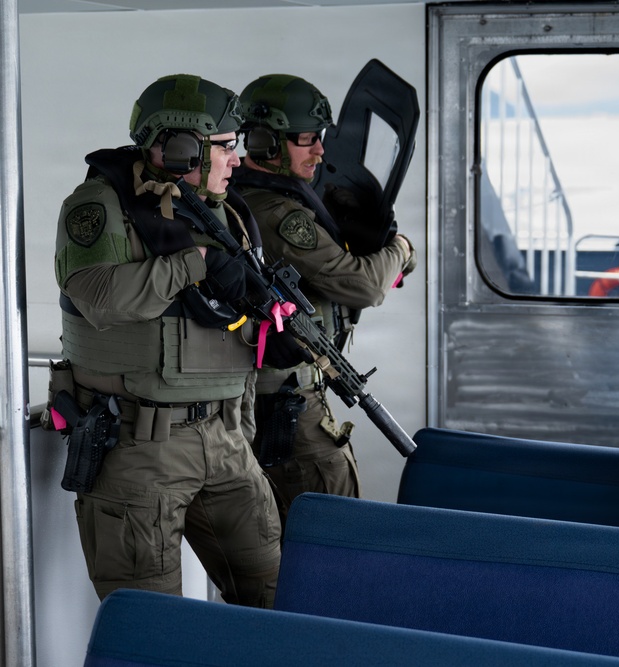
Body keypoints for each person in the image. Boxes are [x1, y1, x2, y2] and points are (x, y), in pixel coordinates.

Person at [52, 74, 282, 606]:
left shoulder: (226, 213)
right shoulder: (100, 205)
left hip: (227, 439)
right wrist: (194, 264)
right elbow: (100, 296)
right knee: (151, 625)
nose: (237, 160)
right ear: (180, 148)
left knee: (279, 598)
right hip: (140, 448)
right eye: (225, 146)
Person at [231, 73, 415, 528]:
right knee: (336, 522)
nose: (319, 151)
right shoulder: (276, 212)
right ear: (266, 144)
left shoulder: (288, 198)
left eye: (320, 138)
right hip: (285, 399)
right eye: (307, 140)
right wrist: (401, 249)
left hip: (289, 391)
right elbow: (364, 285)